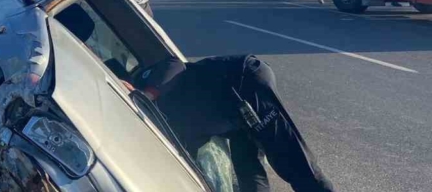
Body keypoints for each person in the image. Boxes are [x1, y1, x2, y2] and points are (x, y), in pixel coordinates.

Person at [127, 55, 336, 192]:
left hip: (242, 86)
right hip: (234, 122)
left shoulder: (143, 81)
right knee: (249, 173)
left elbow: (174, 64)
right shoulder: (164, 125)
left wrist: (143, 94)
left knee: (294, 165)